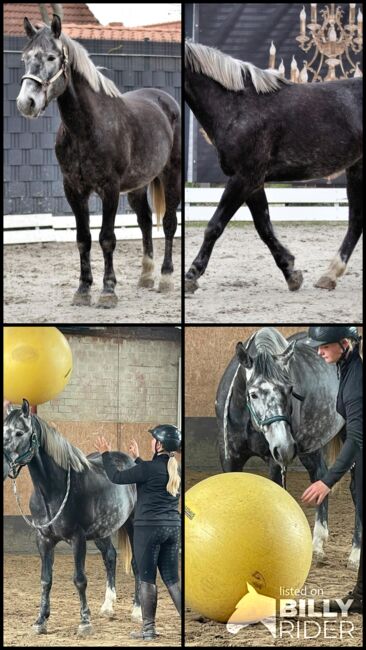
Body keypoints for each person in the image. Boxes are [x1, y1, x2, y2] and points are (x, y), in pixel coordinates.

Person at [94, 424, 181, 640]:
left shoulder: (148, 469)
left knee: (147, 579)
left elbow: (115, 476)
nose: (151, 441)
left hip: (148, 530)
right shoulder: (174, 470)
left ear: (159, 444)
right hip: (172, 529)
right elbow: (153, 474)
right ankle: (186, 623)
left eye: (153, 439)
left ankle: (148, 629)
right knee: (172, 579)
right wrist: (139, 458)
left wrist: (105, 453)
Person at [302, 325, 362, 613]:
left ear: (345, 343)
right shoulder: (347, 369)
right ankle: (361, 595)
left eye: (324, 346)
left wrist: (327, 481)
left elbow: (357, 439)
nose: (319, 351)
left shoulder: (355, 382)